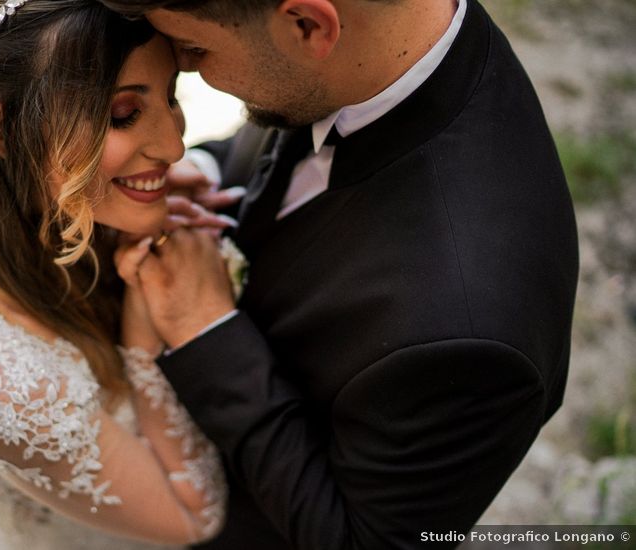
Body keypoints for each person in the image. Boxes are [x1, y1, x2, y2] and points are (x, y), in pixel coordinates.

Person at [99, 0, 580, 548]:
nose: (182, 65)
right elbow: (277, 144)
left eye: (196, 47)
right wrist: (194, 172)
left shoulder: (473, 334)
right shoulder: (371, 55)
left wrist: (204, 330)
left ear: (309, 25)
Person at [0, 1, 233, 548]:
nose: (174, 146)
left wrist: (157, 188)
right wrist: (143, 332)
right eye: (122, 114)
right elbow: (195, 519)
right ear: (2, 129)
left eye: (172, 95)